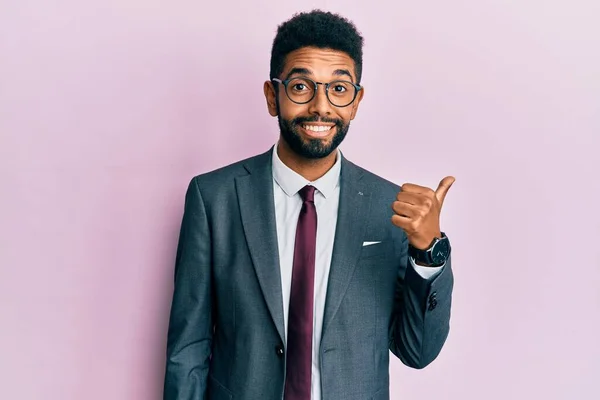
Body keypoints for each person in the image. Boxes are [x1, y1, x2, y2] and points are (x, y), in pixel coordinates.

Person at [163, 9, 455, 400]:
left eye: (338, 89)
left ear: (355, 101)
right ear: (273, 96)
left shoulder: (390, 209)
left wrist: (429, 253)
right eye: (301, 87)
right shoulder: (213, 198)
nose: (321, 107)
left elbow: (417, 352)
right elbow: (188, 350)